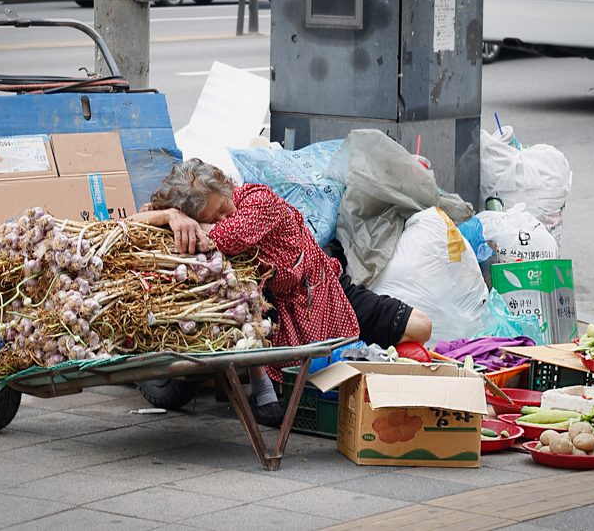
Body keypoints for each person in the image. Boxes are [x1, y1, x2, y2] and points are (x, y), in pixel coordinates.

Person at [130, 159, 432, 426]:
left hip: (326, 293)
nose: (224, 219)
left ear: (227, 187)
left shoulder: (259, 200)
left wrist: (182, 221)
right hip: (276, 311)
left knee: (421, 326)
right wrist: (169, 215)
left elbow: (228, 235)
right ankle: (263, 390)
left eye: (223, 208)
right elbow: (125, 225)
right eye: (213, 218)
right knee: (244, 288)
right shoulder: (197, 221)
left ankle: (372, 361)